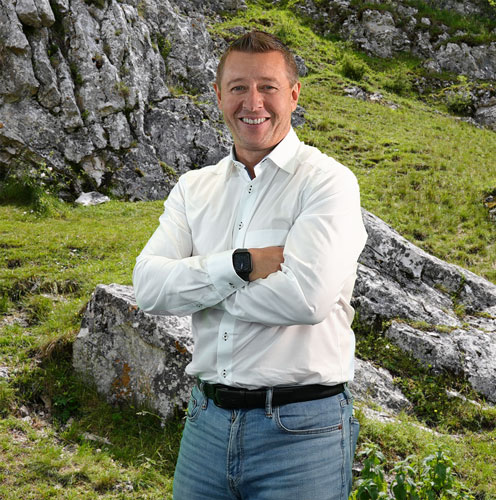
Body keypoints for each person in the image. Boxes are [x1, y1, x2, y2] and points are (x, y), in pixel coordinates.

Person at [133, 30, 367, 500]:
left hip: (302, 433)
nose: (252, 102)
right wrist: (242, 265)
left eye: (268, 87)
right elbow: (149, 289)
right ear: (218, 95)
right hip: (206, 423)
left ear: (294, 95)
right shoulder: (193, 189)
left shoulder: (328, 184)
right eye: (238, 87)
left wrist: (201, 286)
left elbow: (306, 299)